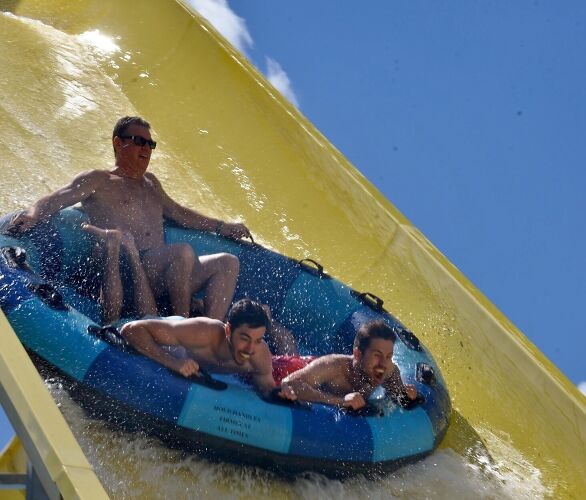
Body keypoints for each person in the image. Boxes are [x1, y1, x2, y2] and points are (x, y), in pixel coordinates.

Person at [8, 116, 248, 322]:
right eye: (139, 141)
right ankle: (182, 330)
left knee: (227, 262)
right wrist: (32, 215)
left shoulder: (151, 183)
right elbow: (58, 197)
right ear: (118, 143)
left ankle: (208, 334)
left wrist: (222, 227)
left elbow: (178, 212)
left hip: (161, 273)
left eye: (150, 144)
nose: (146, 149)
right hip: (126, 271)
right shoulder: (99, 180)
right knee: (182, 252)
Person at [120, 299, 296, 399]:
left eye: (258, 340)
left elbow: (266, 388)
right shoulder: (202, 332)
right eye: (244, 338)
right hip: (173, 342)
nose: (250, 348)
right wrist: (173, 362)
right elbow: (131, 329)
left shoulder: (259, 354)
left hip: (201, 365)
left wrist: (281, 393)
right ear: (228, 330)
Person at [280, 320, 418, 410]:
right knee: (290, 355)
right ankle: (273, 325)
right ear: (357, 354)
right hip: (298, 367)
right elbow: (289, 384)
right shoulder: (333, 366)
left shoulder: (387, 370)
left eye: (388, 356)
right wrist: (340, 401)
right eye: (377, 355)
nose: (383, 363)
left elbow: (399, 396)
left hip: (310, 370)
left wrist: (405, 395)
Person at [80, 222, 158, 324]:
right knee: (150, 321)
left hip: (109, 277)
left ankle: (113, 246)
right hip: (110, 269)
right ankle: (132, 252)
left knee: (111, 321)